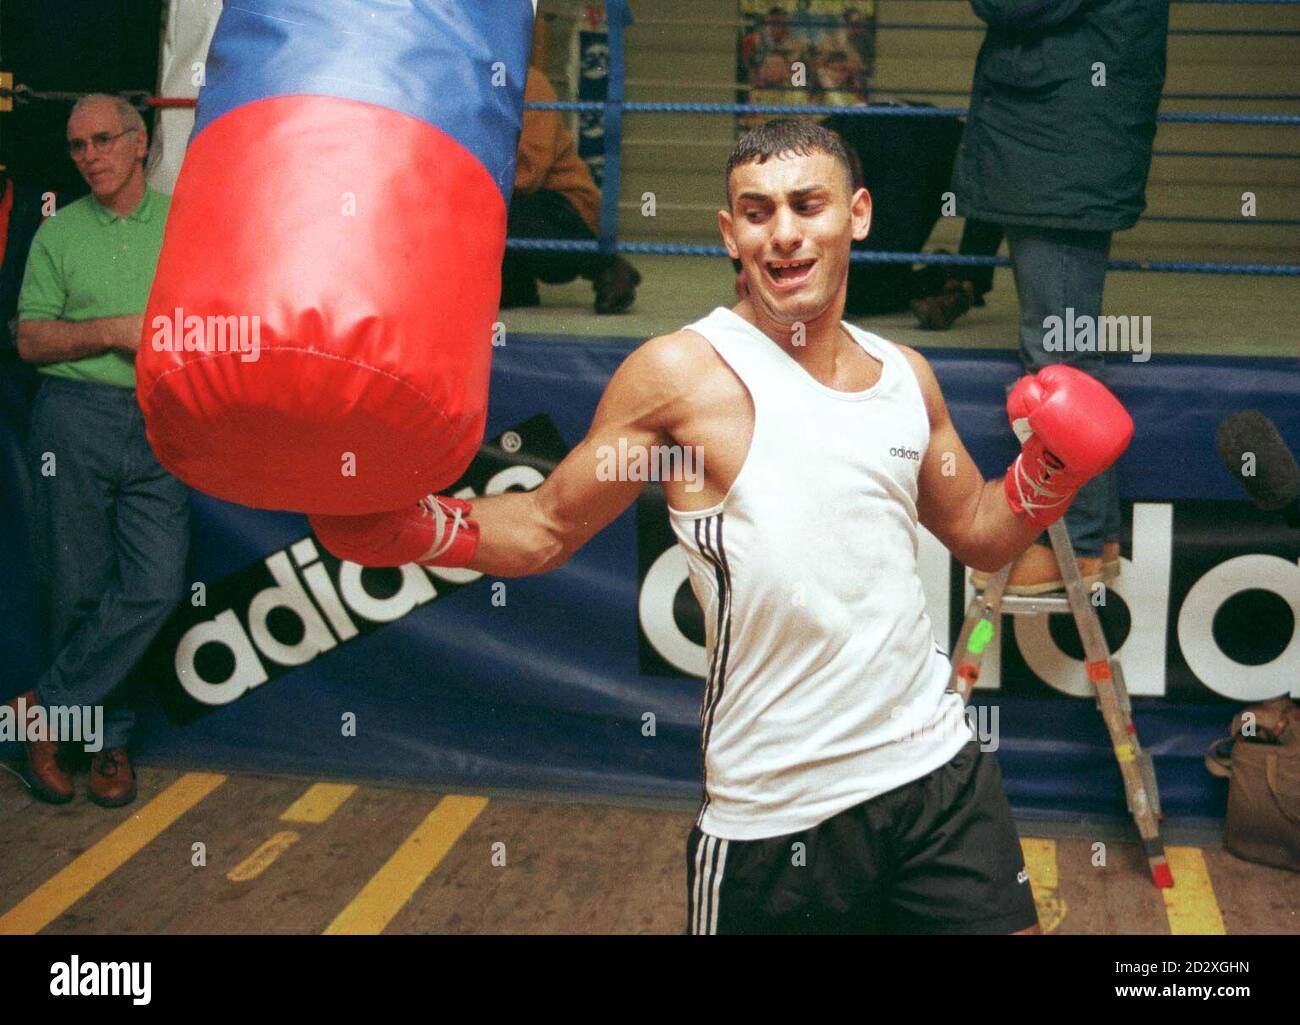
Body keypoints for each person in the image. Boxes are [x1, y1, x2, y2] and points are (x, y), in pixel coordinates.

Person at [309, 119, 1133, 934]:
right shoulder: (681, 377)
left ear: (860, 214)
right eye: (757, 210)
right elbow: (546, 525)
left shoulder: (904, 380)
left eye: (808, 205)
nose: (783, 234)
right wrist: (413, 527)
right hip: (782, 812)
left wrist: (1048, 473)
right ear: (729, 232)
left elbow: (983, 533)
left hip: (934, 770)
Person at [954, 0, 1169, 593]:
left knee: (1060, 358)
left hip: (1062, 144)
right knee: (1062, 349)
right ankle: (1096, 535)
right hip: (1060, 140)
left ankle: (1075, 544)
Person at [15, 94, 190, 807]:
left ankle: (45, 711)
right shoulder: (57, 234)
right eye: (77, 146)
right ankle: (107, 741)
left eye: (103, 140)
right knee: (78, 590)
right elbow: (30, 340)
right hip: (72, 418)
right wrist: (117, 328)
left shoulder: (184, 224)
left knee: (155, 583)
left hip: (161, 418)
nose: (90, 156)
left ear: (140, 142)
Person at [502, 57, 641, 314]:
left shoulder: (528, 80)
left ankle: (606, 264)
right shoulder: (467, 81)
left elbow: (529, 173)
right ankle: (516, 284)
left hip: (562, 205)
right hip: (511, 199)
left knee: (504, 213)